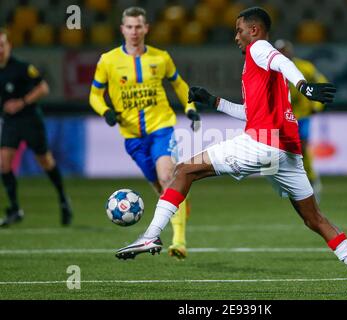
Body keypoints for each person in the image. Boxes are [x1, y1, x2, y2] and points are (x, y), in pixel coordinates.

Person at [115, 7, 347, 294]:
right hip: (288, 151)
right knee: (314, 218)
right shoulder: (260, 70)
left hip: (263, 142)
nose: (236, 37)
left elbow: (281, 61)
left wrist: (304, 86)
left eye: (239, 31)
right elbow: (250, 113)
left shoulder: (260, 48)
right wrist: (213, 101)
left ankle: (151, 235)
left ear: (254, 30)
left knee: (184, 170)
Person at [89, 7, 200, 260]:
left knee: (167, 177)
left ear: (146, 28)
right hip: (133, 137)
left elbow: (180, 85)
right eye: (129, 27)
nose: (134, 32)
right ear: (122, 30)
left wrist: (190, 107)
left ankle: (179, 241)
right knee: (162, 189)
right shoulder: (108, 60)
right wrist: (105, 111)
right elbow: (94, 94)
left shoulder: (161, 58)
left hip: (161, 128)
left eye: (138, 26)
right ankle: (178, 203)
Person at [0, 28, 72, 226]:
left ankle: (64, 199)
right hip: (10, 123)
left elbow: (43, 87)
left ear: (9, 46)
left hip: (31, 120)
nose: (0, 49)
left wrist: (21, 102)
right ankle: (15, 209)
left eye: (2, 44)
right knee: (3, 164)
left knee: (45, 161)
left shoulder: (22, 67)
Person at [274, 39, 326, 201]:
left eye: (285, 50)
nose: (284, 53)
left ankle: (311, 180)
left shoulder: (305, 67)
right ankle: (294, 184)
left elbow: (322, 82)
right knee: (283, 152)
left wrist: (317, 106)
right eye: (280, 51)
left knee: (302, 148)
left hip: (301, 115)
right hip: (283, 117)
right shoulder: (273, 71)